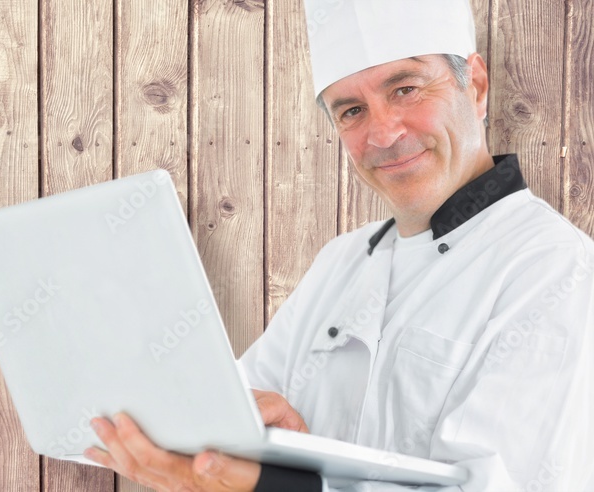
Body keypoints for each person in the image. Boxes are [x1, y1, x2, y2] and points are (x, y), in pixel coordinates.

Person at [81, 0, 594, 490]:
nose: (384, 134)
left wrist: (273, 484)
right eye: (351, 111)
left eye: (406, 89)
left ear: (476, 85)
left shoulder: (556, 270)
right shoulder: (341, 260)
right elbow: (224, 415)